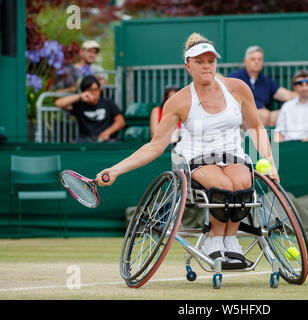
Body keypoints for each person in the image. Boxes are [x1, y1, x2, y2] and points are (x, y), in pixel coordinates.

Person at [95, 33, 279, 267]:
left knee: (243, 185)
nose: (206, 66)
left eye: (210, 61)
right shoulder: (178, 101)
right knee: (223, 186)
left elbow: (256, 127)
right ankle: (215, 242)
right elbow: (155, 146)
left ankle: (230, 242)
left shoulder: (238, 88)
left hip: (233, 156)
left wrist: (271, 160)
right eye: (199, 61)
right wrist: (116, 170)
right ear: (188, 65)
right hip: (197, 158)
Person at [228, 46, 297, 126]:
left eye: (259, 59)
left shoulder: (266, 81)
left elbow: (286, 95)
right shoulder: (236, 77)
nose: (257, 62)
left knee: (284, 113)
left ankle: (293, 137)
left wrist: (305, 98)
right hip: (240, 115)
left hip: (263, 116)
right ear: (245, 61)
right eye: (253, 59)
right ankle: (260, 137)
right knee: (264, 115)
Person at [55, 75, 125, 143]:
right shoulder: (79, 104)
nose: (93, 93)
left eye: (95, 89)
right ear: (84, 92)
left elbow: (120, 121)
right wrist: (80, 96)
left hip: (107, 140)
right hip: (85, 140)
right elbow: (58, 103)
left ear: (100, 89)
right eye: (89, 90)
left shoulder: (108, 103)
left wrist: (107, 133)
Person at [274, 70, 308, 142]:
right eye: (300, 84)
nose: (304, 88)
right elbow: (278, 132)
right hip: (287, 146)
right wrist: (279, 149)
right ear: (294, 87)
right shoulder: (286, 106)